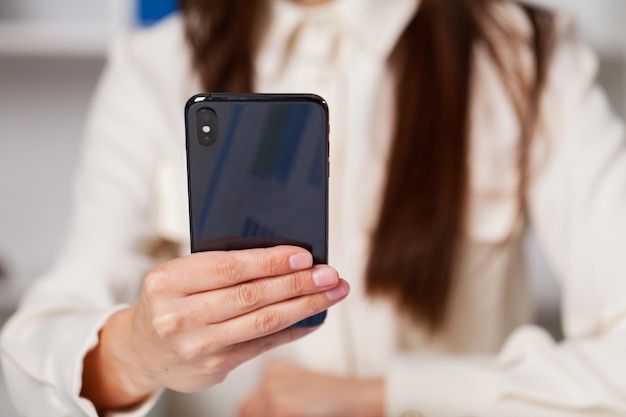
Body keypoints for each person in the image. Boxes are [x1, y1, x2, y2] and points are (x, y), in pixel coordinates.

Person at [3, 0, 626, 415]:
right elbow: (31, 358)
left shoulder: (524, 55)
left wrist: (388, 397)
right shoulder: (158, 63)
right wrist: (132, 351)